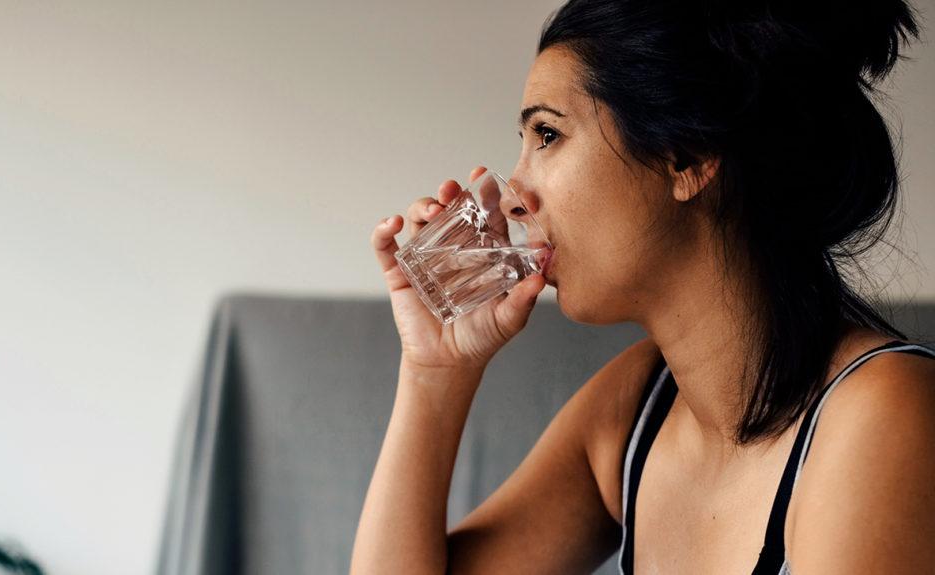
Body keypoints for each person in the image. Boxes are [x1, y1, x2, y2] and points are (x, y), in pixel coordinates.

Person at [352, 0, 935, 572]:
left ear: (684, 158)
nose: (513, 193)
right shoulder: (635, 408)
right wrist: (435, 373)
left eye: (548, 135)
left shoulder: (885, 412)